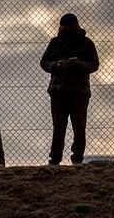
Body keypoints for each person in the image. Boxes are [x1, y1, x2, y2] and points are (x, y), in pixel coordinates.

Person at [40, 13, 99, 165]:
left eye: (67, 27)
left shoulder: (86, 43)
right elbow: (44, 62)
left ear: (75, 26)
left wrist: (77, 64)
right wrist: (56, 65)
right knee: (59, 127)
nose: (64, 29)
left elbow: (94, 64)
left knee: (79, 127)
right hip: (59, 91)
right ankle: (55, 158)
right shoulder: (54, 42)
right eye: (63, 26)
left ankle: (77, 158)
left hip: (78, 92)